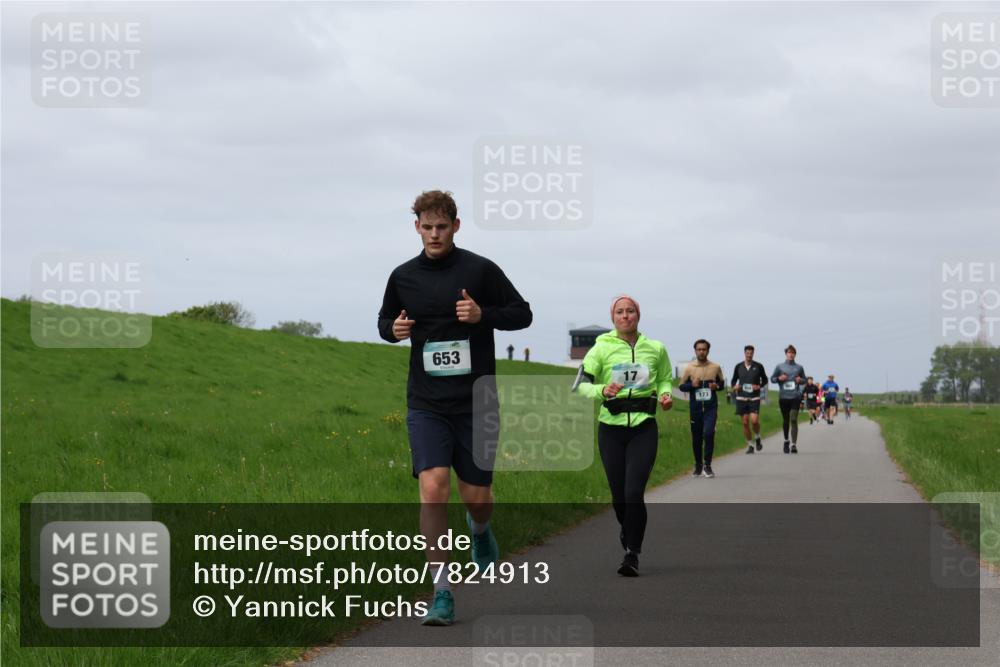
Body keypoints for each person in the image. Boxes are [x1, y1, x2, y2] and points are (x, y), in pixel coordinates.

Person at [378, 190, 532, 625]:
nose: (434, 234)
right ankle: (442, 590)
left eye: (441, 227)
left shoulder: (480, 270)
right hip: (426, 403)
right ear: (417, 228)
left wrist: (483, 315)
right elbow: (384, 321)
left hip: (476, 402)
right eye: (426, 227)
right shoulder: (402, 276)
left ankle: (480, 533)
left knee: (477, 497)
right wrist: (395, 329)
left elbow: (522, 314)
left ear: (456, 226)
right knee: (432, 487)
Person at [574, 295, 673, 577]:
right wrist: (601, 391)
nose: (625, 316)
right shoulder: (601, 348)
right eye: (620, 312)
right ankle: (627, 528)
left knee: (633, 492)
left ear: (638, 315)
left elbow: (665, 377)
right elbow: (581, 385)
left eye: (630, 311)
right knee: (619, 496)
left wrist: (665, 395)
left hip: (644, 427)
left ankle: (632, 552)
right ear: (613, 317)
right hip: (611, 429)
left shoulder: (655, 348)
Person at [678, 339, 726, 477]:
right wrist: (691, 385)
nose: (701, 351)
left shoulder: (715, 367)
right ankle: (698, 464)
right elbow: (681, 386)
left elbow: (722, 384)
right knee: (697, 438)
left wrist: (716, 386)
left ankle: (708, 465)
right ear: (695, 351)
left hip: (710, 407)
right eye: (699, 349)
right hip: (696, 408)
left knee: (709, 433)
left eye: (704, 349)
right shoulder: (689, 368)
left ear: (708, 351)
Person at [731, 345, 769, 453]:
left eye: (751, 353)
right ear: (744, 353)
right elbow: (733, 380)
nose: (749, 355)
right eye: (747, 353)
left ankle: (757, 437)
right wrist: (735, 386)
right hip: (741, 397)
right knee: (745, 422)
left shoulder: (758, 366)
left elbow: (765, 380)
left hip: (754, 397)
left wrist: (759, 386)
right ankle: (750, 445)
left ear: (753, 353)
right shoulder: (738, 366)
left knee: (754, 420)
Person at [770, 345, 806, 453]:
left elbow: (804, 380)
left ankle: (794, 445)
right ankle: (786, 441)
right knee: (786, 420)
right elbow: (772, 379)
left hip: (795, 396)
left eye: (793, 353)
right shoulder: (780, 367)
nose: (791, 354)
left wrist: (800, 380)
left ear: (795, 354)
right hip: (783, 397)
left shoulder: (799, 367)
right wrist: (779, 378)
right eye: (789, 352)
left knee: (793, 419)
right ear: (786, 354)